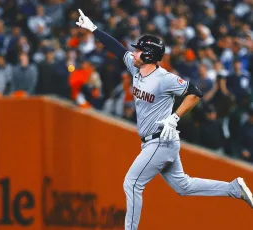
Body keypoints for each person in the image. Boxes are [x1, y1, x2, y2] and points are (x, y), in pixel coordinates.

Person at [75, 9, 253, 230]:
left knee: (132, 183)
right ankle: (233, 189)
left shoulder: (164, 79)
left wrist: (174, 118)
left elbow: (195, 92)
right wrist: (93, 29)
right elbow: (117, 49)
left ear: (149, 55)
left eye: (139, 51)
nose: (135, 53)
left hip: (161, 139)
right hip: (155, 142)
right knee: (183, 186)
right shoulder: (136, 68)